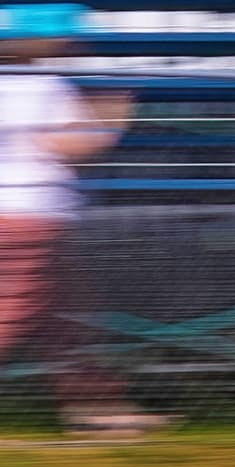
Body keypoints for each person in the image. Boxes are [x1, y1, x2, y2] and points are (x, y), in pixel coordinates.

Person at [0, 3, 163, 435]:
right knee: (10, 315)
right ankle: (96, 406)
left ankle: (97, 407)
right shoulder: (36, 83)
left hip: (28, 215)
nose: (71, 44)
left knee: (66, 319)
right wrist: (112, 116)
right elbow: (66, 146)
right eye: (64, 37)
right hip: (26, 216)